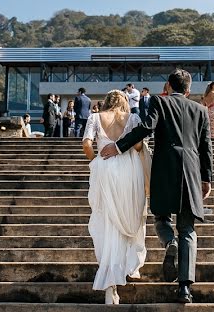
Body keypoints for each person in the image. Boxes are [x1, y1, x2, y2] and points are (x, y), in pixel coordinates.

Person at [101, 69, 213, 305]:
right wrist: (206, 178)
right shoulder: (201, 110)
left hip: (164, 170)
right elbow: (206, 147)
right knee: (188, 230)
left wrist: (118, 146)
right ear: (189, 89)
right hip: (191, 173)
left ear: (168, 86)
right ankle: (184, 289)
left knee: (161, 217)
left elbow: (145, 128)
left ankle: (169, 242)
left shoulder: (158, 102)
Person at [81, 90, 148, 304]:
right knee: (131, 216)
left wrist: (95, 162)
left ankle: (111, 284)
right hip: (129, 170)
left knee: (106, 221)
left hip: (104, 171)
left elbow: (86, 144)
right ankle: (129, 266)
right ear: (124, 102)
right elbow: (138, 146)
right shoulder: (134, 118)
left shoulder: (94, 117)